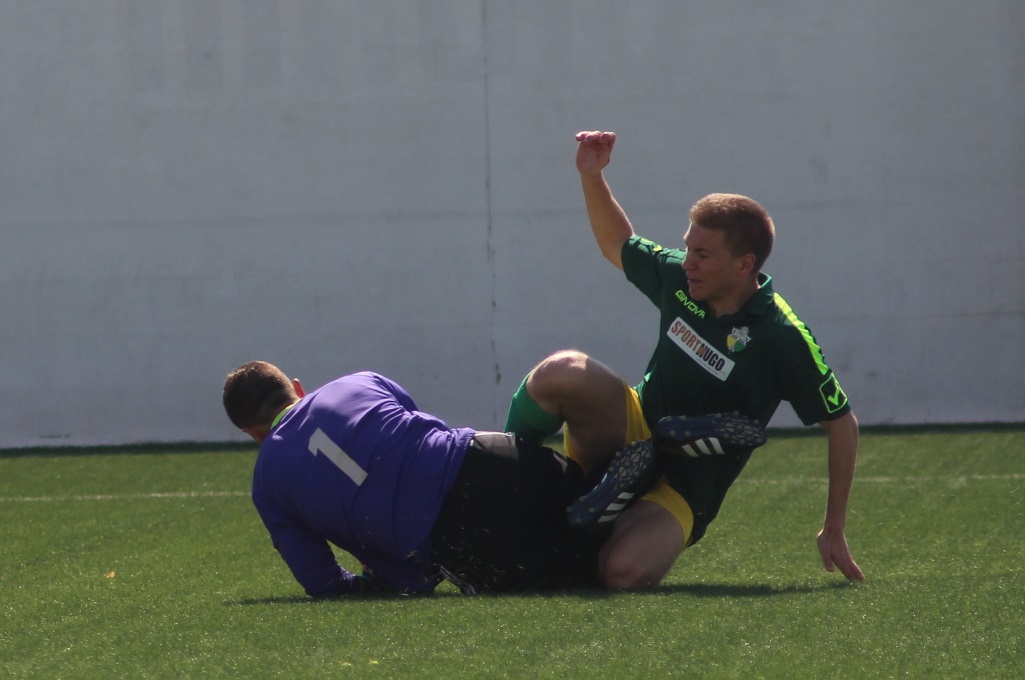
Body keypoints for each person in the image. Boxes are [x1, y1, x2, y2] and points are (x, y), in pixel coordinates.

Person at [505, 130, 865, 590]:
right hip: (635, 428)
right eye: (688, 248)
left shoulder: (782, 336)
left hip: (690, 483)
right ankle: (507, 472)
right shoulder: (680, 277)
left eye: (702, 254)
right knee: (562, 373)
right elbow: (617, 242)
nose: (688, 262)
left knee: (624, 572)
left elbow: (841, 423)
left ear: (744, 264)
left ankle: (603, 506)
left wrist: (833, 526)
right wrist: (591, 176)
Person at [222, 360, 671, 598]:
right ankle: (633, 468)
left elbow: (321, 581)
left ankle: (584, 531)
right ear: (297, 387)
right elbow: (415, 424)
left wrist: (370, 582)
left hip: (451, 537)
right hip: (484, 457)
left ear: (253, 434)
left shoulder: (268, 484)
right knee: (575, 487)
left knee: (579, 568)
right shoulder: (356, 382)